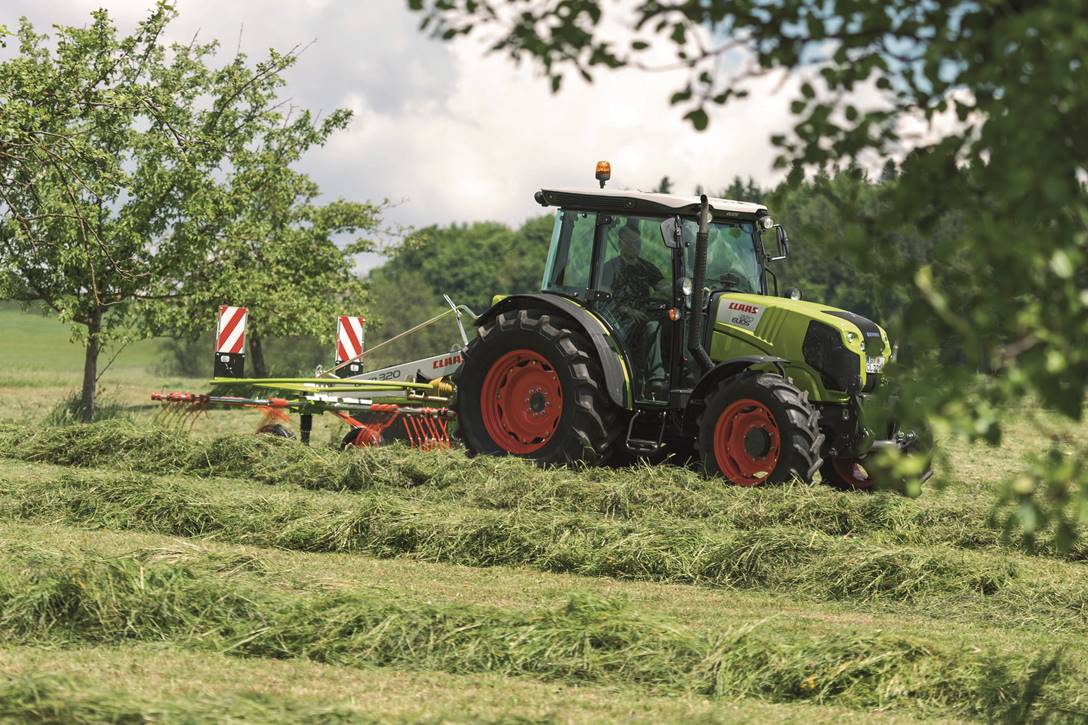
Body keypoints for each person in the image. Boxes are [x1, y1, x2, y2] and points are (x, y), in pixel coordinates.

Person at [599, 223, 671, 398]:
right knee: (653, 326)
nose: (634, 246)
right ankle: (656, 379)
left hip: (643, 317)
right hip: (619, 321)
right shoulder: (611, 268)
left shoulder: (647, 268)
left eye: (637, 242)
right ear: (620, 243)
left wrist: (686, 290)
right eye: (630, 242)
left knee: (672, 322)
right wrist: (628, 311)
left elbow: (667, 289)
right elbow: (604, 300)